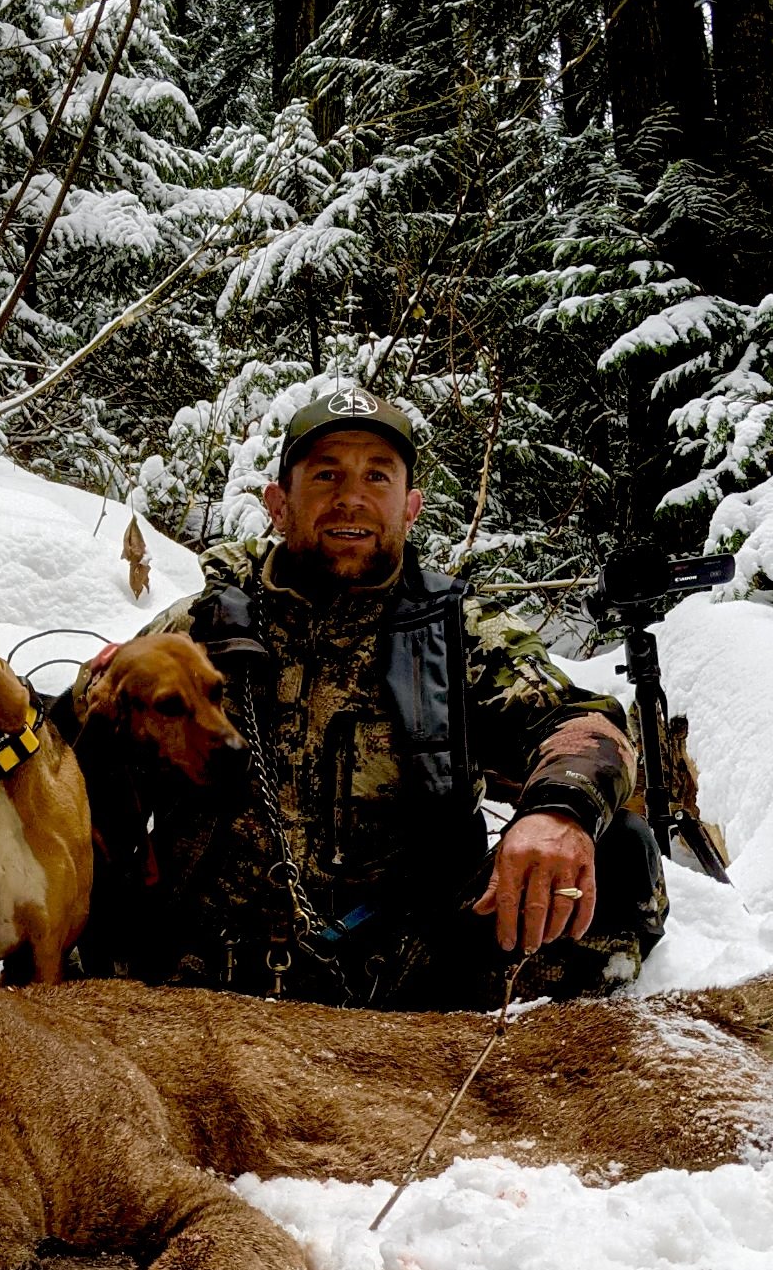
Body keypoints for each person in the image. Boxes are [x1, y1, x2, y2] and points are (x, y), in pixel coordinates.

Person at [109, 383, 666, 1007]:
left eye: (378, 476)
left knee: (618, 846)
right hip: (202, 971)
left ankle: (548, 1065)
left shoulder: (455, 633)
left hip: (412, 971)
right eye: (325, 476)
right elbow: (79, 734)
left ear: (410, 507)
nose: (351, 498)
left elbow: (585, 720)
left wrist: (558, 812)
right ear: (277, 504)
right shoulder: (194, 632)